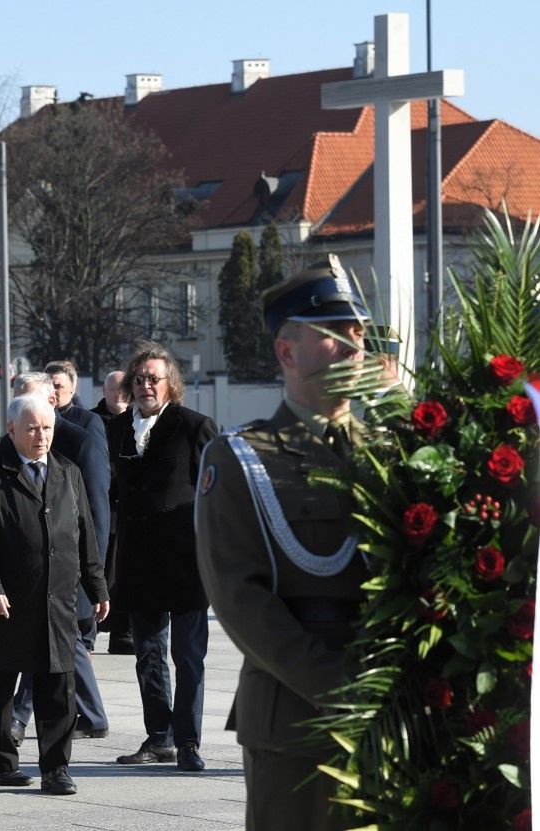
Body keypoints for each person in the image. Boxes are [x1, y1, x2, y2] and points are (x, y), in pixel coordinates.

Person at [195, 255, 370, 830]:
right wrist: (341, 691)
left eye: (358, 332)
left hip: (391, 711)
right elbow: (240, 601)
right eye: (333, 334)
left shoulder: (392, 452)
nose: (353, 346)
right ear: (286, 351)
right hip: (295, 721)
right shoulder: (242, 458)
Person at [0, 392, 109, 794]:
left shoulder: (67, 471)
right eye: (31, 428)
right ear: (11, 429)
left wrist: (96, 585)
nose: (41, 435)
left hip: (57, 599)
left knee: (59, 687)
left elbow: (85, 535)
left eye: (47, 427)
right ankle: (0, 764)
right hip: (6, 601)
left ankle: (56, 768)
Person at [108, 341, 218, 772]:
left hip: (187, 562)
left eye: (154, 378)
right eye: (139, 378)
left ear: (171, 385)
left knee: (188, 657)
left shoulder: (195, 427)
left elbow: (217, 493)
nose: (145, 385)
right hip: (138, 563)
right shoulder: (117, 431)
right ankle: (160, 738)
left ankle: (188, 742)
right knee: (147, 654)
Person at [7, 372, 110, 744]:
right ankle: (95, 716)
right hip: (32, 571)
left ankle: (18, 718)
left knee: (49, 644)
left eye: (29, 404)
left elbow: (95, 511)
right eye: (17, 407)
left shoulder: (81, 441)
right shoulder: (14, 444)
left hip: (68, 570)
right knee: (64, 645)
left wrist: (92, 578)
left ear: (51, 402)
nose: (24, 414)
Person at [91, 369, 132, 654]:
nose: (118, 395)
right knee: (97, 571)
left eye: (123, 390)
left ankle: (122, 633)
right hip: (98, 507)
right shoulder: (92, 421)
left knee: (124, 575)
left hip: (127, 509)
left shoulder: (139, 420)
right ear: (104, 391)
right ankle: (88, 631)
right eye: (113, 390)